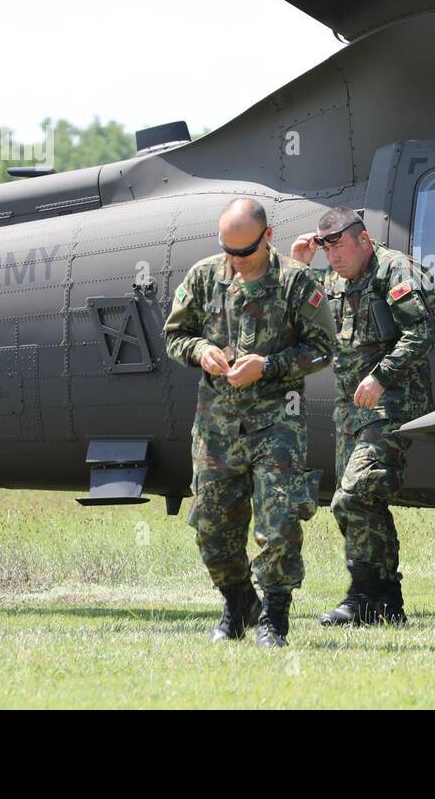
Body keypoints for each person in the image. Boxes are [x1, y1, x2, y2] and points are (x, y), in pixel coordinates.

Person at [163, 198, 336, 648]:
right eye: (228, 249)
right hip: (216, 427)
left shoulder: (296, 282)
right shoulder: (204, 276)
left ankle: (274, 617)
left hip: (276, 424)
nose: (235, 260)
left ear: (268, 237)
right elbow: (175, 336)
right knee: (212, 529)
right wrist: (201, 350)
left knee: (278, 525)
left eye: (245, 251)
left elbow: (321, 349)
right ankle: (238, 603)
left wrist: (271, 365)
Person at [291, 207, 435, 626]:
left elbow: (421, 333)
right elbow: (293, 316)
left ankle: (362, 596)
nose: (333, 259)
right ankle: (385, 604)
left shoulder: (395, 272)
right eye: (327, 251)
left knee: (352, 496)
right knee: (364, 505)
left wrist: (382, 376)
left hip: (393, 404)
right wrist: (297, 267)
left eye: (340, 249)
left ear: (363, 240)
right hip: (350, 411)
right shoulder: (331, 280)